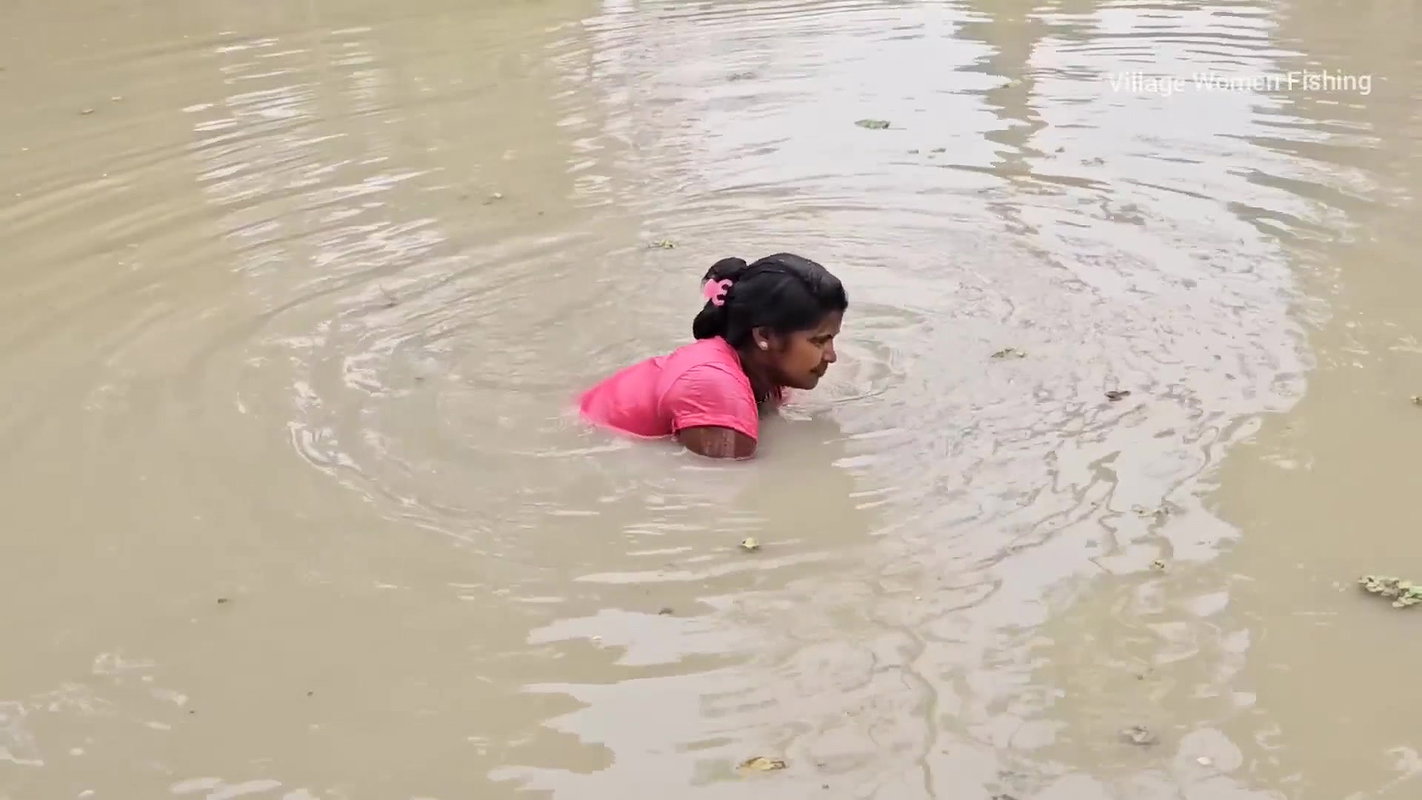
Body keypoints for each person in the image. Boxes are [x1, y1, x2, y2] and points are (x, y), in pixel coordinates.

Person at [577, 252, 848, 459]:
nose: (831, 356)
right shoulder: (716, 386)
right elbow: (724, 489)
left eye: (832, 339)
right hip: (588, 444)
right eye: (819, 341)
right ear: (764, 337)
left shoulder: (760, 372)